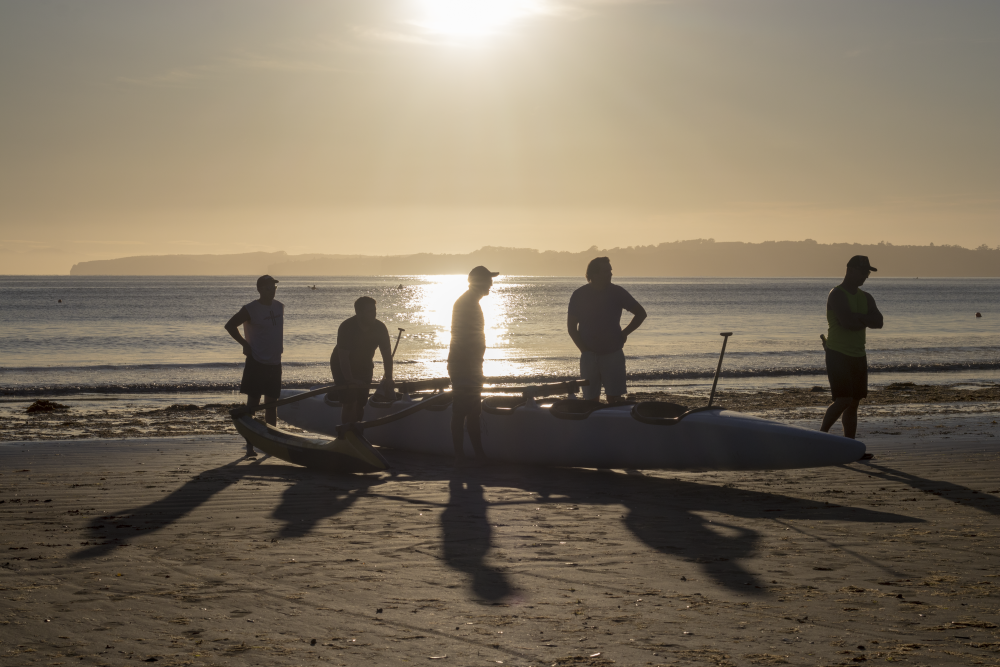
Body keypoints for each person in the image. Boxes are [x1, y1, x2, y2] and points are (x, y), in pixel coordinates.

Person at [820, 255, 884, 443]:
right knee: (843, 399)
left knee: (854, 403)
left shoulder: (866, 297)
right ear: (851, 271)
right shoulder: (837, 294)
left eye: (867, 273)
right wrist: (864, 319)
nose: (866, 276)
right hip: (838, 354)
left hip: (858, 354)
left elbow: (879, 322)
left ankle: (849, 444)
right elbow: (847, 323)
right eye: (863, 272)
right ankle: (821, 436)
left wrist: (857, 317)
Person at [567, 257, 646, 403]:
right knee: (590, 400)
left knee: (615, 400)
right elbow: (571, 328)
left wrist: (624, 333)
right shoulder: (579, 295)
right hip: (589, 356)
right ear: (594, 274)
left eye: (610, 271)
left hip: (613, 354)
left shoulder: (617, 292)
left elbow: (641, 313)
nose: (610, 274)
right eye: (606, 271)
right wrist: (584, 350)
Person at [225, 275, 284, 457]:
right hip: (257, 361)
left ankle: (272, 443)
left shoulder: (279, 306)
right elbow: (230, 325)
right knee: (253, 404)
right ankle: (250, 446)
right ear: (259, 289)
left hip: (275, 361)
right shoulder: (251, 309)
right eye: (268, 288)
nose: (272, 291)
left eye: (274, 287)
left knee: (272, 405)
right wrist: (245, 344)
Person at [448, 266, 498, 463]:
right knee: (462, 410)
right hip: (464, 365)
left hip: (470, 364)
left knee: (473, 411)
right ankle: (463, 455)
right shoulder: (466, 303)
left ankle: (476, 454)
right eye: (488, 280)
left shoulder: (471, 302)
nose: (491, 285)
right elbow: (462, 338)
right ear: (479, 282)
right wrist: (472, 367)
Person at [330, 296, 395, 425]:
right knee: (350, 401)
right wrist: (350, 380)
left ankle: (357, 431)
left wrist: (388, 377)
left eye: (374, 310)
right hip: (341, 365)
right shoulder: (347, 327)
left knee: (360, 403)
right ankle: (346, 434)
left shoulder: (380, 328)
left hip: (364, 364)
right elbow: (343, 358)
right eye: (370, 311)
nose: (374, 314)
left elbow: (387, 356)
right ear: (359, 313)